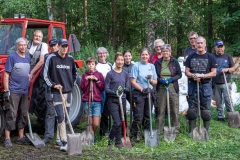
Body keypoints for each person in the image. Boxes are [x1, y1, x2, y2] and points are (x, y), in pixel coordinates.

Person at [43, 38, 77, 151]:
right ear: (59, 46)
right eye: (63, 46)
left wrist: (71, 84)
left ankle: (58, 138)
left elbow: (75, 73)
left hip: (68, 92)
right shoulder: (51, 58)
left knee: (66, 118)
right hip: (56, 92)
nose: (65, 48)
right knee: (61, 116)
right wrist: (53, 85)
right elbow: (45, 75)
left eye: (66, 46)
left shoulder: (71, 59)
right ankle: (64, 141)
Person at [185, 36, 217, 135]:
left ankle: (205, 131)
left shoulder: (210, 57)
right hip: (193, 85)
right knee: (191, 110)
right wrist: (193, 76)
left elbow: (214, 73)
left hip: (206, 86)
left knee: (206, 111)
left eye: (201, 43)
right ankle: (192, 131)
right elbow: (186, 71)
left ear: (205, 44)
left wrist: (202, 76)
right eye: (197, 43)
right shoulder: (191, 56)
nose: (199, 45)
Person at [3, 37, 31, 148]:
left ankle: (21, 137)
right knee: (12, 114)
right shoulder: (12, 57)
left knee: (24, 114)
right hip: (14, 90)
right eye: (21, 45)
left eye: (24, 45)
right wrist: (6, 90)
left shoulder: (28, 57)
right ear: (17, 46)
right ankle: (7, 139)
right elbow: (6, 74)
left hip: (24, 90)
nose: (23, 47)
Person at [130, 48, 157, 142]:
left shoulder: (152, 66)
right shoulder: (136, 66)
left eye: (146, 55)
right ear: (140, 55)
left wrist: (151, 80)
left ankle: (146, 137)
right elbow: (133, 82)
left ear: (149, 56)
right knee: (138, 117)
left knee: (148, 115)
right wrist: (142, 89)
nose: (144, 56)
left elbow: (155, 81)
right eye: (143, 54)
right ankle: (134, 136)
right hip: (139, 93)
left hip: (150, 92)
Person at [154, 44, 182, 133]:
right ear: (161, 52)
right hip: (161, 88)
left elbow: (179, 74)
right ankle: (160, 129)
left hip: (172, 87)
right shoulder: (158, 62)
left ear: (170, 52)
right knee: (161, 109)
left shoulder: (175, 62)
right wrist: (160, 80)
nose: (165, 53)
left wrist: (171, 79)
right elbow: (155, 75)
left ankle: (176, 128)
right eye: (163, 51)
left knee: (174, 108)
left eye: (167, 51)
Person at [105, 54, 130, 148]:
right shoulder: (110, 74)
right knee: (117, 122)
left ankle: (118, 142)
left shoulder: (125, 74)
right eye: (118, 60)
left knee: (122, 120)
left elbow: (127, 87)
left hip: (122, 100)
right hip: (112, 100)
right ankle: (110, 140)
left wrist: (124, 90)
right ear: (115, 61)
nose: (120, 62)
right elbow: (106, 88)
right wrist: (114, 92)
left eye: (122, 60)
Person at [212, 40, 235, 121]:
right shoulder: (212, 56)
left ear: (224, 48)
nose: (220, 49)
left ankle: (231, 115)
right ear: (215, 48)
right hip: (215, 83)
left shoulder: (228, 56)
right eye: (218, 47)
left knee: (228, 100)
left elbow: (233, 68)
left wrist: (227, 69)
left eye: (221, 47)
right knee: (218, 101)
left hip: (226, 82)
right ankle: (220, 116)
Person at [42, 39, 59, 144]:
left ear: (58, 46)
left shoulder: (64, 58)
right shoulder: (48, 57)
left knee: (62, 114)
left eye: (55, 45)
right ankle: (49, 135)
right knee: (50, 112)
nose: (53, 47)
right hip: (51, 88)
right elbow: (45, 74)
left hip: (62, 89)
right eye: (51, 46)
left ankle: (62, 137)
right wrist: (51, 85)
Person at [80, 57, 105, 134]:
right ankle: (91, 139)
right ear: (87, 65)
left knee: (96, 123)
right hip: (87, 101)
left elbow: (102, 87)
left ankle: (92, 134)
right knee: (89, 122)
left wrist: (96, 80)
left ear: (95, 65)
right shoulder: (84, 75)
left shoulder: (99, 75)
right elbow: (83, 88)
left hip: (97, 102)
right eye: (89, 64)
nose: (91, 65)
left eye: (92, 64)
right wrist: (87, 80)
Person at [96, 47, 112, 137]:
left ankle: (106, 130)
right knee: (101, 111)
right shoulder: (96, 65)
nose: (102, 55)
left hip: (108, 91)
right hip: (99, 91)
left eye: (104, 53)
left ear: (106, 54)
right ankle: (101, 131)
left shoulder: (109, 65)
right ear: (97, 55)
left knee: (107, 111)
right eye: (100, 53)